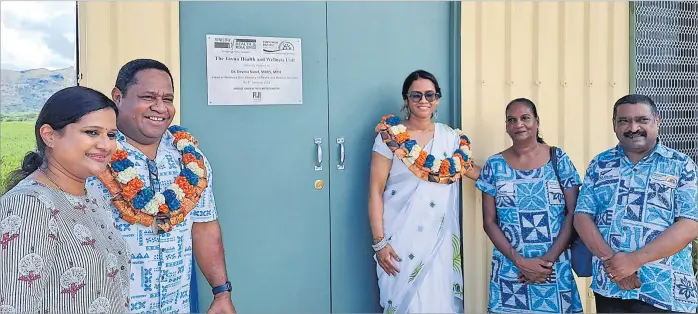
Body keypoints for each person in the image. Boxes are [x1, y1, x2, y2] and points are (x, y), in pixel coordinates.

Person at [85, 59, 236, 313]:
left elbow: (204, 226)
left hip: (175, 306)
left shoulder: (192, 161)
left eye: (168, 99)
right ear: (118, 97)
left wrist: (221, 293)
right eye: (148, 96)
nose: (160, 108)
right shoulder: (95, 155)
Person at [0, 86, 131, 313]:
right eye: (91, 132)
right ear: (49, 135)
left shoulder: (95, 197)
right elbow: (14, 305)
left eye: (111, 135)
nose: (106, 144)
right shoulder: (30, 206)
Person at [573, 94, 698, 313]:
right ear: (614, 125)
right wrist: (614, 263)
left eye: (642, 120)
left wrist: (634, 261)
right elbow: (582, 216)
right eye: (624, 121)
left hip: (665, 289)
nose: (633, 127)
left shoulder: (681, 165)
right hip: (611, 287)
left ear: (657, 121)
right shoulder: (600, 164)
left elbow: (690, 224)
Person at [369, 69, 481, 313]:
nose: (423, 101)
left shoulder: (450, 139)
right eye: (416, 95)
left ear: (437, 99)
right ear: (406, 99)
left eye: (430, 95)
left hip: (438, 238)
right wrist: (379, 243)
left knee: (438, 299)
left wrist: (516, 173)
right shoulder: (390, 138)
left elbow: (474, 173)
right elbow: (375, 190)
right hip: (399, 237)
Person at [474, 98, 583, 313]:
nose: (518, 124)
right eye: (512, 120)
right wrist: (520, 261)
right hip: (511, 269)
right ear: (506, 126)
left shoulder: (558, 158)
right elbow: (489, 222)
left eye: (525, 118)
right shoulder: (494, 165)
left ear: (537, 122)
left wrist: (546, 262)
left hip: (553, 268)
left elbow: (573, 213)